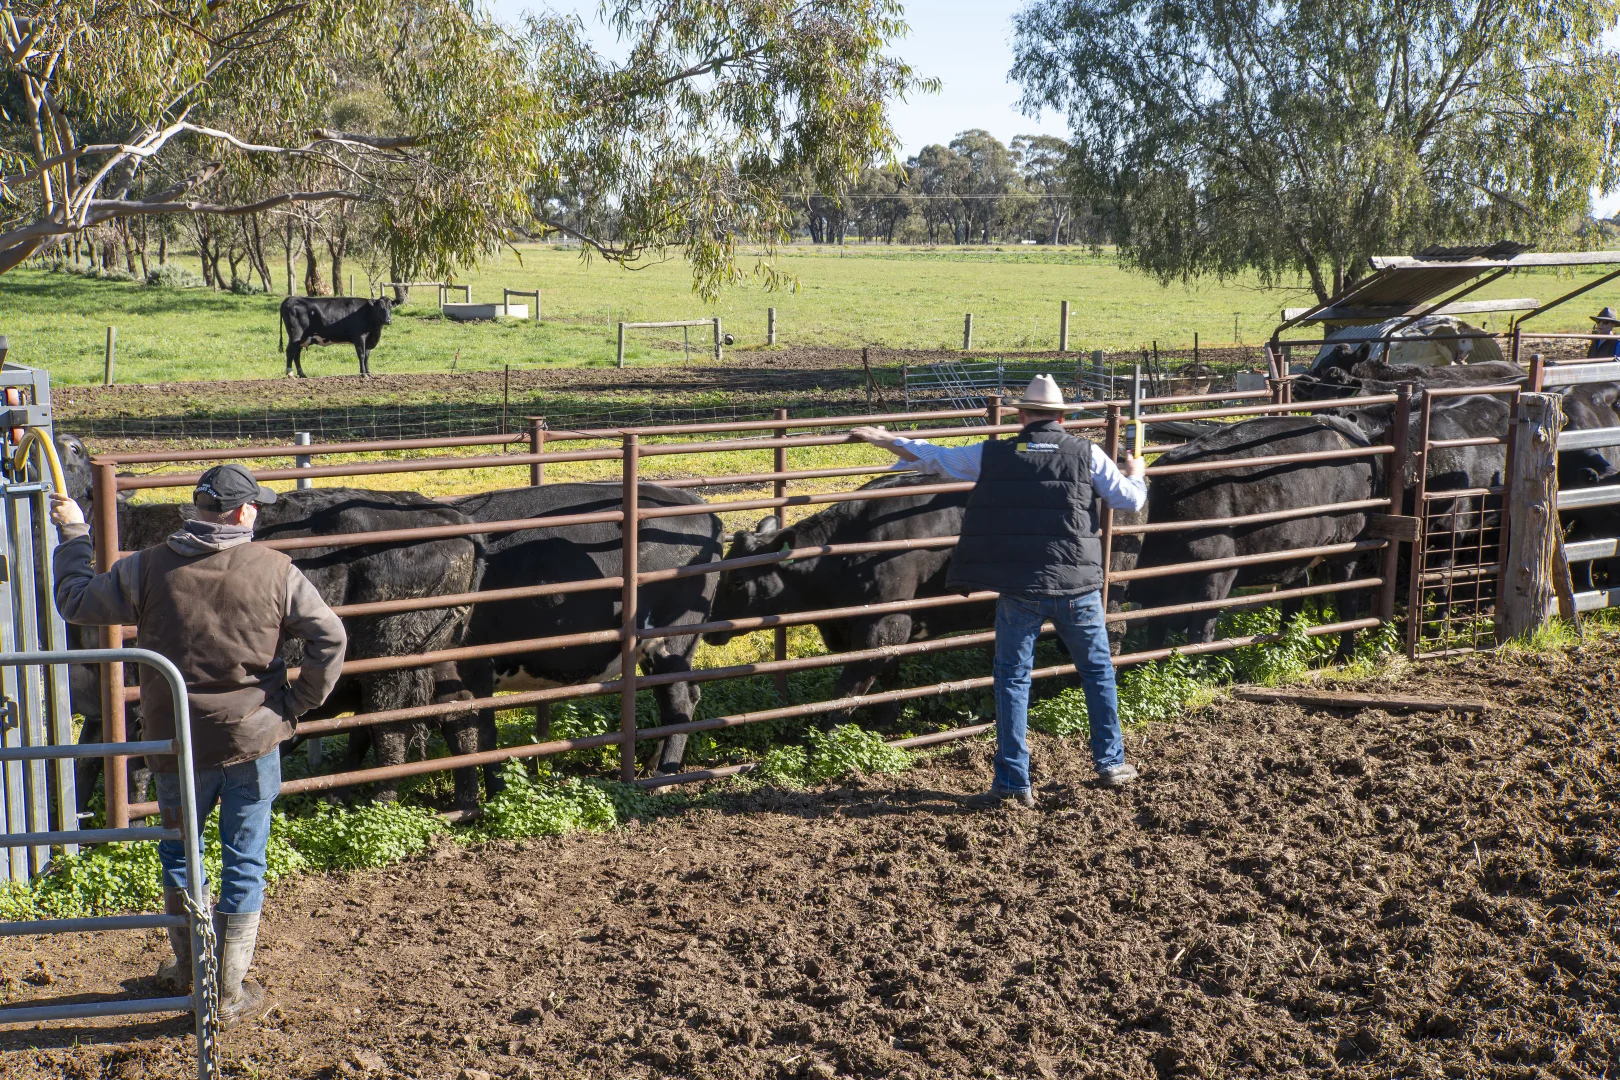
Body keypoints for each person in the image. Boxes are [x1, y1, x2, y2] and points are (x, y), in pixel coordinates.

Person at [50, 464, 346, 1026]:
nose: (257, 511)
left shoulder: (145, 568)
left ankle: (189, 971)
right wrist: (295, 704)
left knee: (181, 851)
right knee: (244, 859)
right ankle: (227, 990)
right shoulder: (276, 571)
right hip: (252, 736)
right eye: (255, 505)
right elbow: (329, 637)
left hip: (176, 741)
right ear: (240, 513)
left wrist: (73, 535)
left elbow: (76, 601)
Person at [850, 374, 1148, 808]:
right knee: (1097, 671)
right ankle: (1110, 762)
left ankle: (1013, 781)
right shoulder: (1088, 454)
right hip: (1076, 585)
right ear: (1062, 418)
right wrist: (1136, 474)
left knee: (1012, 679)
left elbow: (935, 458)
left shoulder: (994, 454)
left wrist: (883, 438)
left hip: (1020, 585)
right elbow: (1126, 501)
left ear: (1021, 416)